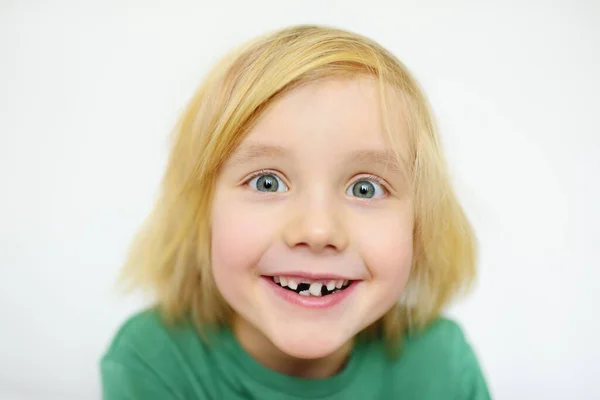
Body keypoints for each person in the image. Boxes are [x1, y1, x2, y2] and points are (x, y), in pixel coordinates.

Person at [100, 24, 491, 399]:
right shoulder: (156, 360)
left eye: (365, 188)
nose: (318, 230)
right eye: (266, 182)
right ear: (203, 213)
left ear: (419, 226)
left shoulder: (441, 365)